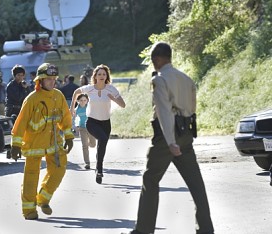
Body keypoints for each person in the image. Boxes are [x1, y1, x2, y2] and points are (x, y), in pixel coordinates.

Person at [124, 42, 214, 234]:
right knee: (196, 183)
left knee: (150, 179)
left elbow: (165, 112)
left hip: (167, 137)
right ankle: (206, 229)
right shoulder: (186, 78)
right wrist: (183, 135)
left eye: (152, 60)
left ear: (157, 59)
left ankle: (143, 230)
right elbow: (192, 107)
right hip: (186, 132)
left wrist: (171, 142)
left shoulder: (160, 80)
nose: (153, 64)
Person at [10, 63, 74, 220]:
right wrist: (15, 144)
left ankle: (43, 199)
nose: (52, 82)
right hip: (35, 143)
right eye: (48, 79)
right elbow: (21, 121)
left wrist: (69, 136)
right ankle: (29, 210)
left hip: (54, 142)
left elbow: (65, 118)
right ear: (40, 81)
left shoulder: (58, 96)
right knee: (31, 176)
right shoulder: (32, 99)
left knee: (59, 169)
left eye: (54, 79)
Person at [70, 64, 125, 184]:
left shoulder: (111, 89)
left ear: (107, 76)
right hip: (92, 121)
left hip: (106, 122)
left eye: (104, 74)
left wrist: (114, 99)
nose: (101, 76)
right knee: (103, 139)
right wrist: (72, 108)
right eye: (99, 74)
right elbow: (76, 92)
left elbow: (123, 104)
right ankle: (99, 169)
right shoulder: (90, 88)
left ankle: (98, 170)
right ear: (95, 76)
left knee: (102, 145)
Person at [73, 93, 96, 169]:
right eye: (81, 100)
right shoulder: (76, 110)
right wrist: (76, 127)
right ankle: (87, 163)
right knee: (84, 146)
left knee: (93, 144)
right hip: (82, 129)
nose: (83, 102)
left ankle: (88, 143)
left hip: (91, 128)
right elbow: (74, 119)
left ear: (87, 101)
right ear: (78, 101)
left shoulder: (89, 108)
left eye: (84, 100)